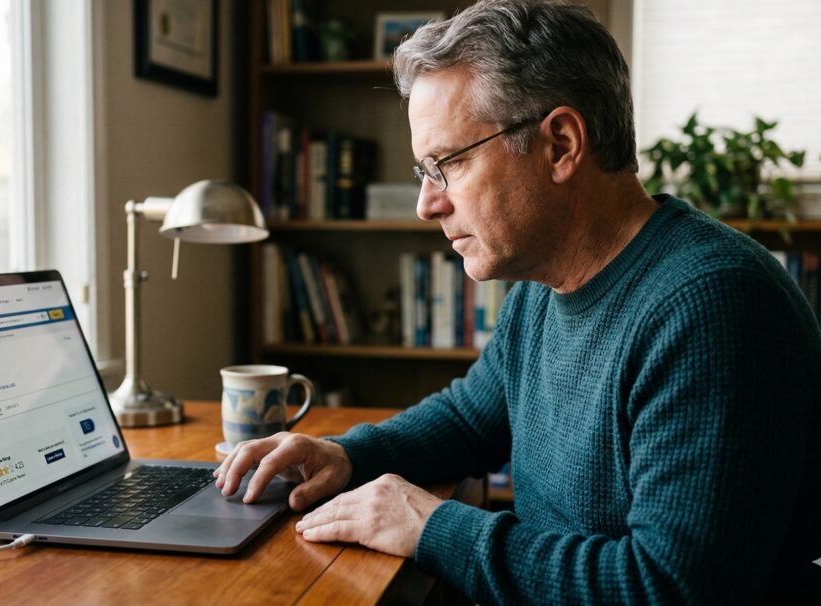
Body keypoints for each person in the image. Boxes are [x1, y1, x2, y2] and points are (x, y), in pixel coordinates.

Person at [215, 0, 821, 602]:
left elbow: (666, 589)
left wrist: (432, 526)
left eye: (445, 164)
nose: (427, 204)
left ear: (560, 145)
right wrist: (346, 454)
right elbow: (471, 417)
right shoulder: (545, 282)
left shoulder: (715, 307)